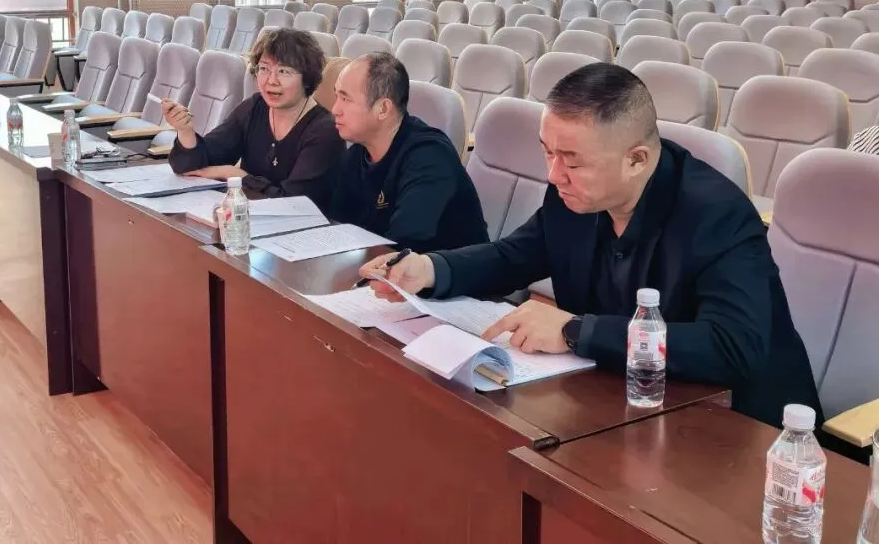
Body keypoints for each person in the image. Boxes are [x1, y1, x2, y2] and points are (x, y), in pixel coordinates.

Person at [361, 62, 820, 429]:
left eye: (572, 161)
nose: (554, 174)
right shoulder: (574, 194)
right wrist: (431, 269)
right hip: (622, 400)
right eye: (548, 152)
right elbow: (515, 255)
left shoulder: (717, 214)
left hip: (740, 428)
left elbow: (733, 346)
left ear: (636, 159)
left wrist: (575, 331)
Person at [165, 28, 344, 210]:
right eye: (264, 69)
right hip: (250, 219)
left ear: (307, 78)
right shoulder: (255, 107)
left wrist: (238, 176)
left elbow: (294, 204)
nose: (271, 81)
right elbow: (194, 167)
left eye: (284, 71)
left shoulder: (325, 131)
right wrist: (185, 131)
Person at [329, 52, 488, 253]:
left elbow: (403, 248)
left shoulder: (429, 157)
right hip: (381, 265)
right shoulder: (357, 153)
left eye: (345, 99)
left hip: (446, 270)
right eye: (337, 96)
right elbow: (339, 226)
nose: (335, 109)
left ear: (383, 109)